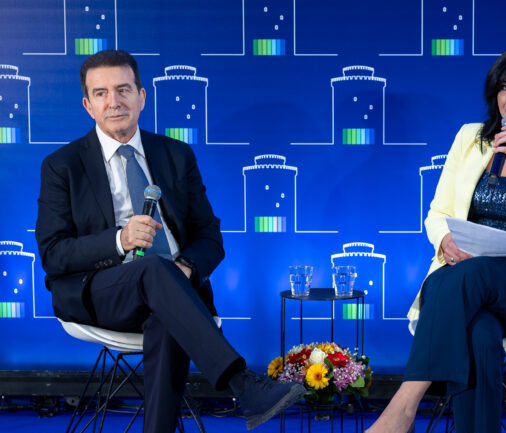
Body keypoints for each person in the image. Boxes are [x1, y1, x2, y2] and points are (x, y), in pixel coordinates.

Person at [35, 49, 305, 433]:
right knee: (153, 271)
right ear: (88, 105)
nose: (114, 102)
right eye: (101, 93)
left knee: (165, 311)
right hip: (99, 292)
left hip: (173, 290)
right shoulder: (62, 165)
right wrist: (119, 240)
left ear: (142, 97)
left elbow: (209, 236)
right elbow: (53, 254)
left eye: (123, 90)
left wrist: (186, 269)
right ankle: (242, 384)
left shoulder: (175, 154)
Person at [366, 45, 506, 433]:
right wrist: (445, 243)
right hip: (467, 281)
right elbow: (438, 212)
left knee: (468, 277)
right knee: (479, 332)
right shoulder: (471, 138)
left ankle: (402, 409)